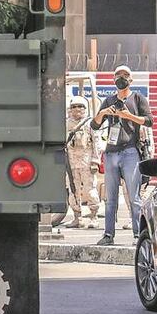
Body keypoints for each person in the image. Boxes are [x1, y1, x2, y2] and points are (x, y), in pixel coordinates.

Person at [92, 65, 153, 245]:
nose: (121, 78)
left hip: (130, 152)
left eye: (125, 75)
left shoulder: (138, 98)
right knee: (110, 199)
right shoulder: (108, 100)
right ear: (113, 79)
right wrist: (103, 112)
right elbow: (95, 125)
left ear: (131, 79)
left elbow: (149, 121)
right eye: (118, 75)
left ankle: (138, 236)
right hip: (111, 153)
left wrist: (129, 116)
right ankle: (108, 235)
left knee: (134, 197)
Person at [64, 96, 100, 228]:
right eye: (74, 107)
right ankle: (77, 218)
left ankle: (94, 217)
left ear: (85, 108)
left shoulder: (90, 123)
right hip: (71, 163)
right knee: (73, 191)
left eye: (80, 106)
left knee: (90, 190)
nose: (77, 109)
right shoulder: (66, 124)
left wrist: (95, 162)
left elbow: (97, 143)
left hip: (87, 162)